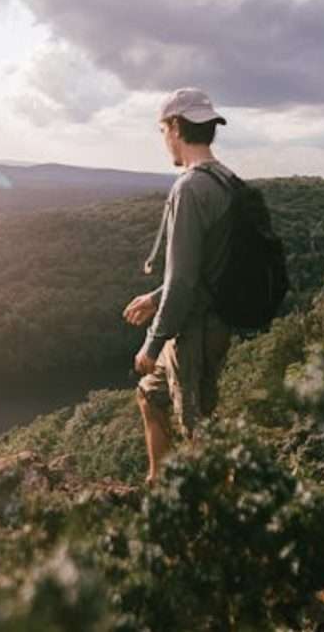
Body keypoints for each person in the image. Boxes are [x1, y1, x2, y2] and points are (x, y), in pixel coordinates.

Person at [122, 87, 236, 487]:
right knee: (150, 394)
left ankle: (225, 510)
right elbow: (208, 266)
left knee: (197, 427)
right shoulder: (228, 181)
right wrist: (157, 297)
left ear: (174, 127)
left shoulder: (189, 189)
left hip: (195, 329)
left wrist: (152, 343)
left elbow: (184, 280)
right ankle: (159, 484)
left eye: (162, 130)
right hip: (214, 319)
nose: (164, 139)